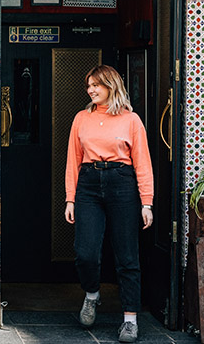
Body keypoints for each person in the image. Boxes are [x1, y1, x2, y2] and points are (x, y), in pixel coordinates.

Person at [64, 65, 154, 343]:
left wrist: (146, 202)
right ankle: (92, 294)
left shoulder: (131, 120)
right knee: (85, 253)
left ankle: (130, 320)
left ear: (111, 86)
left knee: (127, 256)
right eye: (89, 85)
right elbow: (73, 161)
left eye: (97, 85)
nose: (91, 89)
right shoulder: (81, 118)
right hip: (89, 184)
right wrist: (70, 198)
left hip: (122, 183)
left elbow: (143, 162)